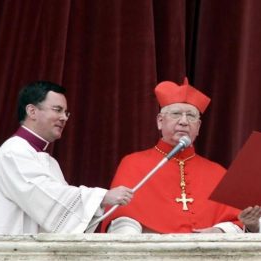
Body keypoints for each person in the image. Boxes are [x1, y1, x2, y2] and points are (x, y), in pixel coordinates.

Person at [0, 81, 133, 234]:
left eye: (66, 112)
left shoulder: (49, 161)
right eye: (57, 110)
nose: (64, 117)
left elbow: (61, 214)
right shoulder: (14, 152)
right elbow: (44, 197)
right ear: (32, 111)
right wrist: (102, 197)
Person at [101, 77, 242, 234]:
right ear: (160, 121)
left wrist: (218, 231)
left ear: (199, 127)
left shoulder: (217, 172)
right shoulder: (133, 163)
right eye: (176, 114)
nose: (183, 121)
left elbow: (238, 222)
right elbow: (119, 219)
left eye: (191, 116)